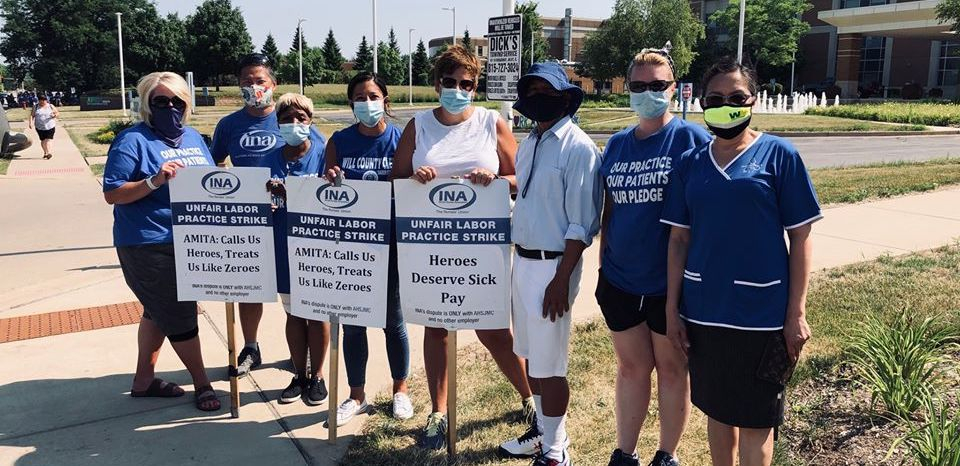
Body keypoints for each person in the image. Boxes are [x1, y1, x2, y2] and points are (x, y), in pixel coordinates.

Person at [661, 59, 820, 466]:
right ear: (701, 102)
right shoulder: (691, 164)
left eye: (736, 97)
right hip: (705, 312)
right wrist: (672, 309)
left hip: (762, 316)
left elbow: (800, 236)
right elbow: (679, 239)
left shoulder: (779, 156)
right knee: (718, 412)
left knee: (756, 421)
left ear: (752, 100)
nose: (725, 105)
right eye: (715, 98)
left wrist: (795, 313)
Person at [390, 45, 534, 451]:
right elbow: (395, 182)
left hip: (481, 246)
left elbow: (522, 177)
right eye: (450, 82)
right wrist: (416, 179)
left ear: (475, 86)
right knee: (436, 327)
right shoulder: (418, 127)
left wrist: (496, 178)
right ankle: (438, 413)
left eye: (466, 84)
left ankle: (529, 399)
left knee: (492, 330)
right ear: (437, 84)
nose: (457, 89)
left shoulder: (492, 122)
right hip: (430, 247)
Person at [596, 48, 711, 466]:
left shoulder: (692, 140)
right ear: (629, 89)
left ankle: (667, 454)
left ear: (674, 89)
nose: (649, 93)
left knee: (671, 368)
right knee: (630, 368)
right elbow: (611, 208)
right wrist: (604, 261)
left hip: (670, 285)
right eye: (640, 86)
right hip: (621, 279)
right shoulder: (618, 145)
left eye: (658, 85)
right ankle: (624, 453)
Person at [499, 62, 602, 466]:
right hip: (522, 262)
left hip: (552, 267)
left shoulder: (577, 147)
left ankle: (557, 451)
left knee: (551, 364)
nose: (538, 96)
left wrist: (561, 280)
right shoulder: (531, 141)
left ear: (564, 96)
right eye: (532, 90)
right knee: (531, 357)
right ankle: (545, 432)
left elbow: (581, 223)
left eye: (547, 90)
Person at [102, 71, 220, 412]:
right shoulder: (132, 140)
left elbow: (210, 183)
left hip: (190, 240)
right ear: (147, 105)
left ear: (187, 105)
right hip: (148, 242)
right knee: (181, 315)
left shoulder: (194, 139)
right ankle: (202, 382)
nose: (170, 107)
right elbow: (113, 193)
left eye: (176, 101)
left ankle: (143, 380)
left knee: (157, 311)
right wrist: (154, 181)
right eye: (160, 101)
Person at [323, 72, 413, 426]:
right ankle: (356, 395)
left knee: (393, 322)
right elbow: (324, 190)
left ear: (386, 100)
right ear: (351, 104)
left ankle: (400, 390)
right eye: (360, 97)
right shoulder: (340, 140)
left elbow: (410, 184)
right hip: (351, 244)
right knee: (354, 323)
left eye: (373, 95)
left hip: (389, 243)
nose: (367, 102)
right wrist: (329, 181)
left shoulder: (402, 138)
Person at [210, 53, 283, 376]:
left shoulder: (291, 118)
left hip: (287, 219)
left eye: (260, 81)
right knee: (250, 288)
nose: (254, 87)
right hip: (249, 223)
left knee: (295, 289)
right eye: (247, 82)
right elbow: (214, 165)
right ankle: (251, 346)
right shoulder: (229, 125)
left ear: (273, 84)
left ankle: (305, 352)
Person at [259, 92, 331, 406]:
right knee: (292, 313)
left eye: (300, 118)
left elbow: (334, 197)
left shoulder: (325, 154)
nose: (294, 124)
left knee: (316, 314)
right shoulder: (268, 159)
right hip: (281, 245)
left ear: (310, 121)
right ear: (278, 124)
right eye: (286, 119)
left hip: (317, 248)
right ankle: (299, 374)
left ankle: (317, 376)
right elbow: (256, 201)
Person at [28, 94, 59, 159]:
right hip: (39, 127)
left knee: (48, 139)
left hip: (50, 126)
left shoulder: (50, 106)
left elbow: (57, 113)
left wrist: (54, 115)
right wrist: (30, 123)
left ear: (46, 100)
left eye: (44, 101)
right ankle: (45, 152)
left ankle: (48, 153)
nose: (42, 103)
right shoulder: (35, 106)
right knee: (43, 140)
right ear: (38, 101)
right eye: (41, 101)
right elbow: (32, 115)